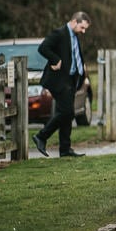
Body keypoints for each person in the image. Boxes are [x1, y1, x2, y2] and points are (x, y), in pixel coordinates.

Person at [32, 12, 91, 158]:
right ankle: (41, 136)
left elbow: (76, 56)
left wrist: (83, 74)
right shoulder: (59, 33)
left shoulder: (75, 36)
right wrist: (55, 60)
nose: (83, 31)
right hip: (59, 81)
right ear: (74, 22)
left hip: (71, 81)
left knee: (66, 113)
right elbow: (43, 48)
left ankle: (65, 149)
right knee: (67, 112)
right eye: (82, 27)